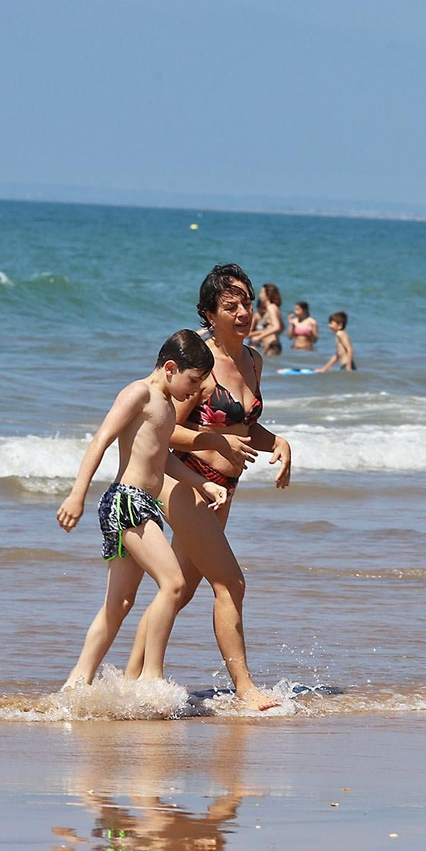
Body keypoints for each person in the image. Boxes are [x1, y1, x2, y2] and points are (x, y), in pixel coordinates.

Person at [127, 264, 291, 711]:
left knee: (176, 592)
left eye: (247, 304)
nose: (243, 313)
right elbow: (162, 429)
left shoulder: (252, 360)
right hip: (187, 486)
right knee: (231, 584)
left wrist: (277, 442)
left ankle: (128, 680)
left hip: (224, 490)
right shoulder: (201, 365)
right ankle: (246, 689)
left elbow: (244, 425)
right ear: (209, 313)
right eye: (230, 306)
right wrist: (215, 441)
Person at [55, 330, 229, 688]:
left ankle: (76, 684)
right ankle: (151, 678)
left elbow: (161, 459)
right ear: (169, 368)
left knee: (119, 604)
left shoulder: (165, 406)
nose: (195, 393)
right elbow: (101, 440)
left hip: (144, 504)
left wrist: (203, 482)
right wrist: (77, 495)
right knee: (175, 583)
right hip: (126, 501)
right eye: (192, 382)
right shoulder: (139, 393)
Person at [250, 283, 283, 356]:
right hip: (273, 344)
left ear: (267, 295)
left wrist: (259, 337)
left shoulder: (271, 307)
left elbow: (277, 327)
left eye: (262, 293)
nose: (260, 295)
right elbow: (282, 327)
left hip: (271, 345)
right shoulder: (275, 308)